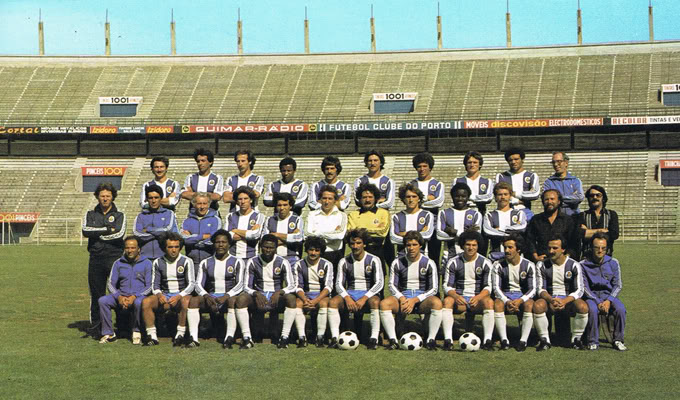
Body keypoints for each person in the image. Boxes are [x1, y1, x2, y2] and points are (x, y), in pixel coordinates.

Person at [380, 231, 442, 351]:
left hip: (421, 299)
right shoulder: (397, 262)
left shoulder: (429, 263)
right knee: (384, 304)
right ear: (405, 246)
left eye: (414, 245)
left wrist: (415, 300)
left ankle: (431, 340)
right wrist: (402, 298)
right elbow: (391, 285)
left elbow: (434, 288)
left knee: (437, 303)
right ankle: (393, 340)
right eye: (408, 245)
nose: (411, 248)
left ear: (420, 246)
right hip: (403, 297)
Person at [328, 229, 384, 350]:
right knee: (333, 302)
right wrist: (347, 298)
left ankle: (373, 338)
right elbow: (338, 284)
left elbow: (379, 283)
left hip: (368, 294)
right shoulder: (344, 261)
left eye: (358, 243)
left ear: (364, 244)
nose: (355, 246)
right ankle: (335, 338)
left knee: (375, 302)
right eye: (352, 243)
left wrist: (364, 298)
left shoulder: (374, 259)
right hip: (351, 293)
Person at [190, 230, 247, 349]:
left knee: (232, 301)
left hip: (229, 297)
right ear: (213, 244)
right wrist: (206, 296)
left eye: (224, 242)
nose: (220, 245)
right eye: (217, 242)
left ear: (229, 244)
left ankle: (228, 338)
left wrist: (226, 296)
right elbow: (198, 284)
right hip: (211, 297)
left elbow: (241, 284)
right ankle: (193, 338)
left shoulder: (238, 261)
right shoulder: (205, 262)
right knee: (194, 301)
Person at [82, 182, 126, 335]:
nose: (105, 199)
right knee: (96, 293)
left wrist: (98, 234)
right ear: (97, 197)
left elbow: (119, 234)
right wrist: (107, 229)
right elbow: (85, 230)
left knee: (118, 292)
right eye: (102, 196)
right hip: (96, 258)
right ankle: (97, 326)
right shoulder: (90, 214)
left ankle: (122, 325)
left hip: (115, 258)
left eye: (108, 196)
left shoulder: (120, 215)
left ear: (113, 197)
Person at [533, 235, 589, 351]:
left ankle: (576, 340)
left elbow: (579, 290)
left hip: (567, 301)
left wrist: (564, 301)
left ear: (563, 249)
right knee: (538, 305)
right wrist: (551, 300)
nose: (551, 251)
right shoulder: (541, 265)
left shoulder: (574, 265)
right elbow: (540, 289)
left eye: (555, 248)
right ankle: (544, 340)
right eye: (549, 248)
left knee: (583, 306)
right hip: (550, 299)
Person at [241, 234, 298, 348]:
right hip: (259, 295)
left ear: (276, 248)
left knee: (291, 298)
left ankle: (284, 337)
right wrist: (256, 293)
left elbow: (292, 285)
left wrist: (280, 292)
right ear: (260, 247)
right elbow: (246, 286)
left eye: (271, 248)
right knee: (241, 299)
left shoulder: (283, 262)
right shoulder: (252, 261)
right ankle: (247, 338)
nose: (268, 250)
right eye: (265, 247)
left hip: (276, 296)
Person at [442, 231, 495, 351]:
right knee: (447, 301)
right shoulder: (453, 262)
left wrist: (478, 297)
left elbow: (488, 287)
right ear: (462, 245)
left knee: (489, 302)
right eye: (468, 245)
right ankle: (448, 340)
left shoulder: (485, 262)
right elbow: (447, 286)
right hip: (460, 300)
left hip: (477, 300)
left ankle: (487, 341)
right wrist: (456, 296)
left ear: (478, 246)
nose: (471, 248)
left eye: (474, 245)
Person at [141, 233, 195, 346]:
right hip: (165, 295)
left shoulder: (187, 261)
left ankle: (180, 334)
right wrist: (159, 294)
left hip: (181, 296)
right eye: (170, 247)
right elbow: (155, 284)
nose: (174, 250)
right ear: (164, 248)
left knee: (185, 301)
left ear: (180, 247)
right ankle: (152, 336)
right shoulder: (158, 262)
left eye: (176, 247)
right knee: (146, 302)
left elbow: (191, 284)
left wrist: (179, 296)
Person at [98, 236, 153, 344]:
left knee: (138, 302)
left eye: (133, 248)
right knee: (103, 301)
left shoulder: (147, 263)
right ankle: (109, 333)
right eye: (127, 248)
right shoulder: (118, 263)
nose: (130, 250)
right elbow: (110, 283)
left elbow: (150, 286)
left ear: (138, 249)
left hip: (139, 296)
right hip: (121, 296)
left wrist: (135, 296)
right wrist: (119, 296)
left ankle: (136, 331)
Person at [580, 233, 627, 351]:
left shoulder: (613, 262)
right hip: (591, 296)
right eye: (597, 247)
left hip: (608, 295)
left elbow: (618, 285)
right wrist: (597, 301)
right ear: (591, 248)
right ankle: (592, 341)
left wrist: (609, 300)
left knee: (621, 309)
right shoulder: (583, 264)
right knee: (592, 309)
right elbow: (584, 287)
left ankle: (618, 340)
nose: (600, 251)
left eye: (603, 248)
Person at [491, 234, 537, 351]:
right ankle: (504, 340)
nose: (507, 250)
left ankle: (523, 341)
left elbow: (533, 288)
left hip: (521, 296)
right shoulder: (497, 265)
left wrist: (520, 300)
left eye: (510, 247)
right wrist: (507, 301)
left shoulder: (529, 265)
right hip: (505, 295)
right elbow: (496, 287)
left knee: (529, 304)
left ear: (518, 249)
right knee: (497, 304)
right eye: (505, 247)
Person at [353, 149, 396, 266]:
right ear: (366, 163)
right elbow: (357, 200)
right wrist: (379, 200)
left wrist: (371, 204)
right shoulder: (359, 181)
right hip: (364, 218)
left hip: (382, 219)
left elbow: (390, 202)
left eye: (375, 160)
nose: (372, 163)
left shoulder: (388, 181)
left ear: (381, 162)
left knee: (388, 255)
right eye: (370, 161)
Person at [294, 236, 335, 347]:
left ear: (321, 251)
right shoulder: (299, 264)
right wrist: (305, 300)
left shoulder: (327, 264)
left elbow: (328, 287)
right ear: (306, 250)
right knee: (297, 303)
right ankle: (302, 337)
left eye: (317, 250)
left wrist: (315, 301)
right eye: (311, 250)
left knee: (323, 303)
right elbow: (298, 286)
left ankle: (320, 337)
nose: (313, 253)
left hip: (321, 296)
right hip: (305, 295)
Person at [525, 189, 579, 263]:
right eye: (546, 199)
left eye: (552, 199)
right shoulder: (536, 220)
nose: (549, 202)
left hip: (562, 263)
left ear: (559, 201)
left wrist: (566, 257)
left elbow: (574, 242)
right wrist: (535, 256)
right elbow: (530, 241)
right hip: (542, 261)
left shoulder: (568, 220)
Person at [410, 153, 445, 268]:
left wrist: (419, 200)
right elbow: (409, 203)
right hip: (415, 223)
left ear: (430, 167)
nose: (422, 169)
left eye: (425, 166)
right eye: (419, 166)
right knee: (417, 254)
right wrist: (428, 198)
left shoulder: (438, 184)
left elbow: (438, 202)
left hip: (434, 224)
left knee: (434, 255)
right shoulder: (411, 184)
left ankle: (434, 277)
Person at [436, 182, 482, 265]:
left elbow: (476, 236)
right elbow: (439, 235)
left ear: (468, 197)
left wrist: (454, 232)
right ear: (452, 197)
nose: (460, 199)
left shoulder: (476, 214)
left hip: (469, 255)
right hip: (448, 255)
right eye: (457, 196)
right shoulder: (444, 213)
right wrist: (467, 233)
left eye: (463, 196)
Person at [305, 185, 348, 268]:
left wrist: (317, 232)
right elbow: (307, 234)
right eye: (324, 198)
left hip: (335, 254)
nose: (327, 201)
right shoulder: (312, 214)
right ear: (320, 200)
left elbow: (340, 236)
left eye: (330, 198)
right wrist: (332, 234)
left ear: (335, 200)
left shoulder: (342, 215)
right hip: (317, 254)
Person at [483, 182, 528, 261]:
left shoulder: (519, 213)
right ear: (495, 197)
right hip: (496, 256)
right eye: (500, 194)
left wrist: (499, 229)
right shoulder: (489, 215)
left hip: (515, 257)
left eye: (505, 194)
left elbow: (522, 228)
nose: (503, 197)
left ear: (510, 196)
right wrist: (512, 233)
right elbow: (488, 231)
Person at [133, 185, 179, 260]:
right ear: (147, 199)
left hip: (164, 257)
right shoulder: (141, 216)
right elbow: (137, 234)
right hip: (145, 257)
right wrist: (160, 234)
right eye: (150, 198)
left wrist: (148, 230)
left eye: (156, 197)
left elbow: (168, 229)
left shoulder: (169, 213)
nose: (153, 201)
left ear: (161, 198)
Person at [347, 183, 391, 261]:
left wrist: (360, 231)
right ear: (360, 199)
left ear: (375, 198)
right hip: (358, 251)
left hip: (377, 251)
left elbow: (382, 232)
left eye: (370, 197)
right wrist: (374, 230)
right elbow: (351, 232)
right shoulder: (353, 214)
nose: (367, 200)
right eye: (364, 197)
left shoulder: (383, 213)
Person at [390, 183, 434, 257]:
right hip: (402, 256)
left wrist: (403, 234)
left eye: (414, 196)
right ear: (403, 199)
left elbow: (427, 235)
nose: (411, 200)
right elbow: (393, 238)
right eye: (408, 197)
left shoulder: (427, 215)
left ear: (419, 198)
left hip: (422, 256)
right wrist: (418, 233)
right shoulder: (396, 217)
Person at [576, 185, 619, 257]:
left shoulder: (611, 214)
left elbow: (614, 234)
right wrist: (602, 231)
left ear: (603, 198)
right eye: (591, 195)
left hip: (606, 257)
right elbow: (579, 234)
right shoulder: (581, 215)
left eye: (598, 195)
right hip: (587, 258)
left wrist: (588, 232)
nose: (595, 197)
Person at [181, 192, 222, 267]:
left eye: (205, 203)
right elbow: (184, 240)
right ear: (194, 204)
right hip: (192, 261)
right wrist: (203, 237)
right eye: (199, 203)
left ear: (209, 204)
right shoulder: (187, 221)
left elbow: (214, 240)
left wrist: (192, 237)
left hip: (210, 260)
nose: (202, 206)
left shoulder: (216, 220)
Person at [262, 192, 304, 265]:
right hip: (273, 258)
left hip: (292, 258)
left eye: (285, 205)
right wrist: (290, 236)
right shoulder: (269, 220)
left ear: (290, 206)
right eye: (279, 205)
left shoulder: (297, 219)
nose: (282, 208)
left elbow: (299, 238)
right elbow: (264, 240)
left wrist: (276, 235)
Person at [225, 187, 265, 260]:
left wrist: (235, 230)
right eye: (240, 199)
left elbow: (255, 235)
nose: (243, 202)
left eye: (246, 198)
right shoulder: (230, 216)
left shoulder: (259, 216)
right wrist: (249, 232)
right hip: (233, 257)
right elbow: (227, 236)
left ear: (251, 200)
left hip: (251, 257)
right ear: (237, 201)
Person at [495, 148, 539, 215]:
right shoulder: (501, 176)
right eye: (510, 160)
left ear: (522, 160)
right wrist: (518, 201)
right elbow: (499, 196)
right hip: (506, 211)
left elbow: (535, 194)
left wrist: (514, 194)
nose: (513, 162)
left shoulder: (531, 176)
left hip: (526, 211)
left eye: (516, 159)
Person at [181, 148, 224, 214]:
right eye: (198, 161)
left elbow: (217, 196)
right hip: (193, 213)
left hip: (212, 213)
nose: (200, 163)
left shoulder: (217, 178)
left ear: (210, 162)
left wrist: (194, 194)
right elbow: (184, 194)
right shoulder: (190, 177)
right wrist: (209, 194)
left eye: (203, 161)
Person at [453, 151, 493, 217]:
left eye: (475, 162)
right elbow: (456, 197)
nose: (472, 165)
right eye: (469, 162)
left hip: (481, 213)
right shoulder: (457, 181)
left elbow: (488, 198)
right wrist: (479, 198)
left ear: (480, 164)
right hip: (462, 214)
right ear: (466, 165)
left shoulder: (487, 181)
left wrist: (469, 197)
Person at [543, 151, 584, 216]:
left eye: (559, 161)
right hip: (556, 218)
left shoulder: (575, 180)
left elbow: (580, 197)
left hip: (573, 216)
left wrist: (558, 198)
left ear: (566, 163)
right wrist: (571, 200)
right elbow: (547, 200)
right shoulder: (548, 182)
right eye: (553, 162)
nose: (555, 164)